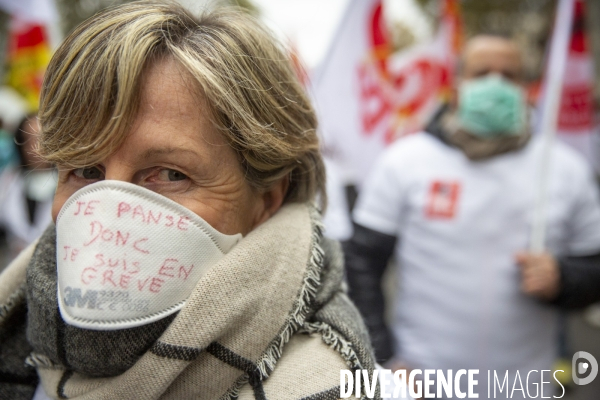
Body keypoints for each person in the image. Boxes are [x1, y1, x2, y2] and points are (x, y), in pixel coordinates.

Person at [0, 3, 379, 399]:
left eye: (169, 174)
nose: (108, 213)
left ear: (267, 198)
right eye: (86, 171)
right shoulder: (20, 331)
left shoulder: (327, 384)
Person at [344, 35, 600, 397]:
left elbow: (594, 268)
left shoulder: (565, 169)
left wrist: (564, 280)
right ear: (457, 83)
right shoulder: (405, 161)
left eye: (509, 76)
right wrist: (381, 360)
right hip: (422, 383)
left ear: (528, 89)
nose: (495, 84)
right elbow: (359, 266)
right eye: (482, 73)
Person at [0, 115, 56, 262]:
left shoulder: (67, 184)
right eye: (27, 140)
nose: (34, 148)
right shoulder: (9, 181)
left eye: (41, 140)